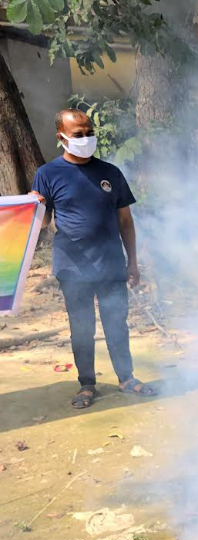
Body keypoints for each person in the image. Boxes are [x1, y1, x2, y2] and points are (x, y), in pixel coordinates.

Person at [30, 109, 157, 409]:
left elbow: (126, 221)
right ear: (61, 136)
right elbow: (43, 223)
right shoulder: (47, 174)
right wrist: (35, 208)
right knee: (82, 327)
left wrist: (133, 262)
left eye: (89, 132)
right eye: (79, 134)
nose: (86, 138)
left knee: (117, 323)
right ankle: (87, 384)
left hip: (111, 264)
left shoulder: (111, 173)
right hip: (72, 268)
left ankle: (126, 378)